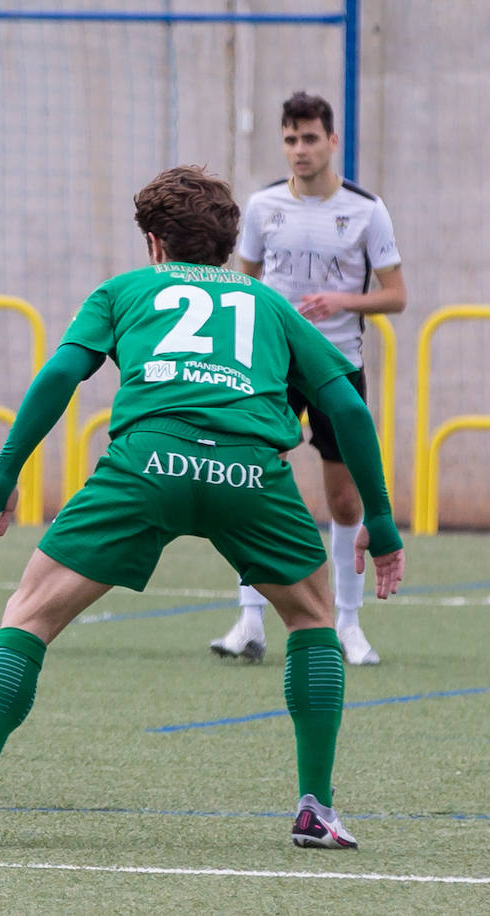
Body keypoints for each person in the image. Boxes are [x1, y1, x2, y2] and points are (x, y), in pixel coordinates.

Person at [0, 165, 405, 850]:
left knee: (29, 616)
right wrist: (384, 523)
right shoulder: (268, 303)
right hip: (250, 471)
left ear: (155, 243)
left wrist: (1, 478)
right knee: (312, 621)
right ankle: (319, 810)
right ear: (225, 243)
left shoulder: (125, 290)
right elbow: (345, 405)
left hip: (147, 463)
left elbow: (61, 375)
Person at [210, 91, 406, 666]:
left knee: (345, 499)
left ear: (332, 141)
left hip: (336, 367)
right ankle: (249, 621)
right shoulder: (263, 205)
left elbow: (396, 296)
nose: (299, 149)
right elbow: (241, 284)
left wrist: (342, 299)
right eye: (291, 138)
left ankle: (347, 623)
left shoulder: (368, 210)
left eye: (310, 138)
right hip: (269, 368)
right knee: (248, 478)